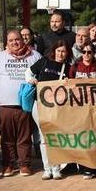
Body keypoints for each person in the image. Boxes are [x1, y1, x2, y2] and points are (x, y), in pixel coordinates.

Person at [0, 30, 42, 178]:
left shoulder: (35, 56)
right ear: (7, 42)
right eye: (11, 40)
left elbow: (42, 76)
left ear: (23, 40)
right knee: (7, 138)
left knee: (24, 137)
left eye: (17, 39)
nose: (15, 43)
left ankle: (24, 164)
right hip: (5, 106)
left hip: (26, 105)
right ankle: (8, 164)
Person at [27, 40, 69, 180]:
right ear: (54, 51)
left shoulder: (67, 67)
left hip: (57, 107)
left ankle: (56, 168)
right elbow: (28, 72)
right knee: (44, 137)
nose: (60, 54)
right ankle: (47, 168)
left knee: (55, 137)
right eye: (58, 51)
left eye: (63, 51)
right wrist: (31, 80)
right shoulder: (44, 62)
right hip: (39, 104)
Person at [67, 41, 96, 179]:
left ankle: (92, 166)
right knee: (81, 136)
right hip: (78, 108)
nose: (87, 54)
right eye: (84, 52)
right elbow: (69, 84)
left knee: (93, 137)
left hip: (94, 108)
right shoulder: (75, 67)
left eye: (90, 52)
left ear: (94, 54)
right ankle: (82, 165)